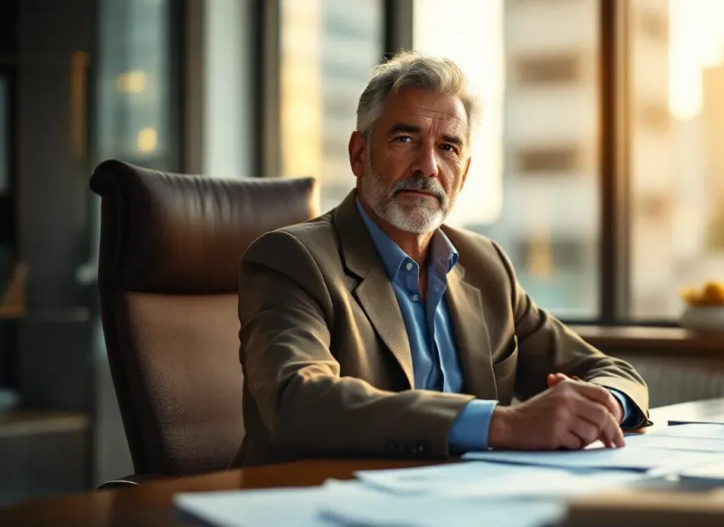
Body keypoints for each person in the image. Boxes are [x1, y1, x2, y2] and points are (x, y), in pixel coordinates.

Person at [233, 51, 649, 467]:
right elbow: (298, 401)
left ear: (463, 174)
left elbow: (609, 370)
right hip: (315, 505)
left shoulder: (486, 265)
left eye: (448, 147)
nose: (428, 166)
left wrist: (603, 406)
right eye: (405, 139)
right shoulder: (293, 259)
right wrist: (500, 425)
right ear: (360, 154)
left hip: (461, 507)